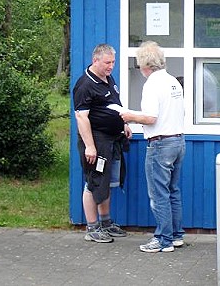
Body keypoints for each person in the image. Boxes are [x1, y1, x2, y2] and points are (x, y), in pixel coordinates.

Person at [119, 41, 185, 253]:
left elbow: (150, 118)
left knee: (159, 194)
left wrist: (129, 116)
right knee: (172, 191)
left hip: (160, 143)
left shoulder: (152, 85)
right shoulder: (173, 81)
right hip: (178, 140)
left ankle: (163, 239)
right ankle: (176, 235)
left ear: (144, 64)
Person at [73, 43, 132, 243]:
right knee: (94, 181)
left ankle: (106, 223)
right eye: (107, 62)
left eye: (113, 62)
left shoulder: (107, 79)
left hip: (112, 140)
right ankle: (92, 228)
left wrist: (123, 124)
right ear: (95, 60)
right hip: (96, 141)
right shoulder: (84, 85)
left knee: (106, 182)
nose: (111, 66)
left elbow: (114, 104)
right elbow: (81, 117)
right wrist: (90, 146)